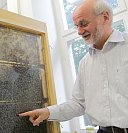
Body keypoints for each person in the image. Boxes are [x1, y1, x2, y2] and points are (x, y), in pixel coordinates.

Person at [19, 0, 128, 132]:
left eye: (83, 24)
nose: (80, 32)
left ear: (105, 17)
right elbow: (78, 103)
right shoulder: (85, 63)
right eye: (77, 26)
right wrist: (48, 112)